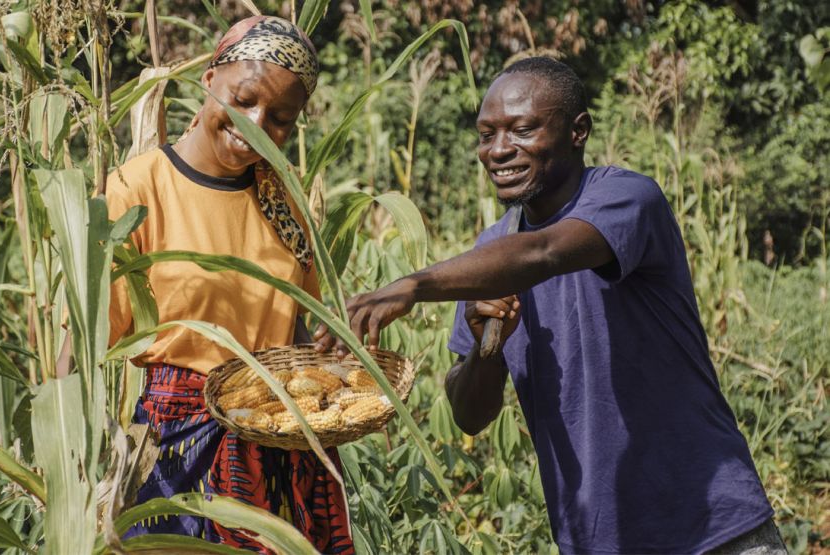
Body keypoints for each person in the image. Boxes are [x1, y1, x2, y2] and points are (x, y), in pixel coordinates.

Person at [315, 57, 784, 554]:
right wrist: (486, 351)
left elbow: (545, 252)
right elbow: (470, 416)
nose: (498, 151)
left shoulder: (627, 198)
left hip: (712, 527)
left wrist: (412, 285)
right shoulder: (491, 252)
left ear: (578, 130)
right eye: (486, 134)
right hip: (598, 539)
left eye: (521, 130)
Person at [105, 16, 353, 553]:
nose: (258, 124)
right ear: (210, 78)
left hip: (277, 444)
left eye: (281, 118)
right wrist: (69, 457)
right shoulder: (137, 187)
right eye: (244, 100)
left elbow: (297, 329)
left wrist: (337, 378)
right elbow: (82, 341)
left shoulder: (284, 203)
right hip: (173, 450)